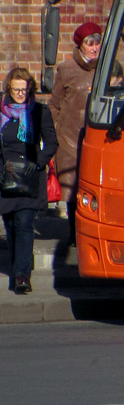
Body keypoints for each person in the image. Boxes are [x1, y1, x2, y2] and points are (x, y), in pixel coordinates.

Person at [1, 67, 58, 293]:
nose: (20, 94)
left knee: (24, 223)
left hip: (29, 177)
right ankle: (19, 266)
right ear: (8, 89)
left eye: (24, 90)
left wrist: (38, 163)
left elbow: (52, 142)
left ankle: (22, 275)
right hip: (5, 175)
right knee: (11, 224)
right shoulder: (1, 112)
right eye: (16, 90)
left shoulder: (39, 112)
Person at [48, 21, 102, 243]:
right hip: (70, 138)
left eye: (97, 43)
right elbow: (54, 105)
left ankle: (93, 229)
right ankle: (74, 232)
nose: (95, 48)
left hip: (95, 136)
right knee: (72, 186)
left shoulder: (104, 68)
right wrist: (51, 134)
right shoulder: (67, 69)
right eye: (90, 43)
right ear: (80, 45)